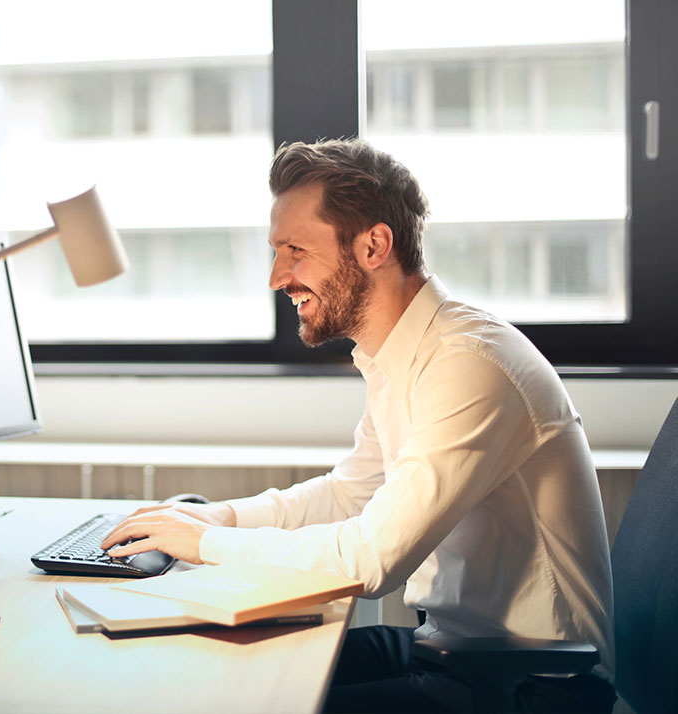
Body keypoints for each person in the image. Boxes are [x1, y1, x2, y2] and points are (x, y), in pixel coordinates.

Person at [100, 138, 616, 713]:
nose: (277, 277)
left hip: (532, 685)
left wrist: (205, 544)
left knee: (249, 699)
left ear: (374, 245)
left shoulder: (469, 364)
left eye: (295, 250)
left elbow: (372, 559)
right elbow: (351, 495)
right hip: (451, 653)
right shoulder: (401, 355)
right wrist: (219, 517)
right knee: (213, 670)